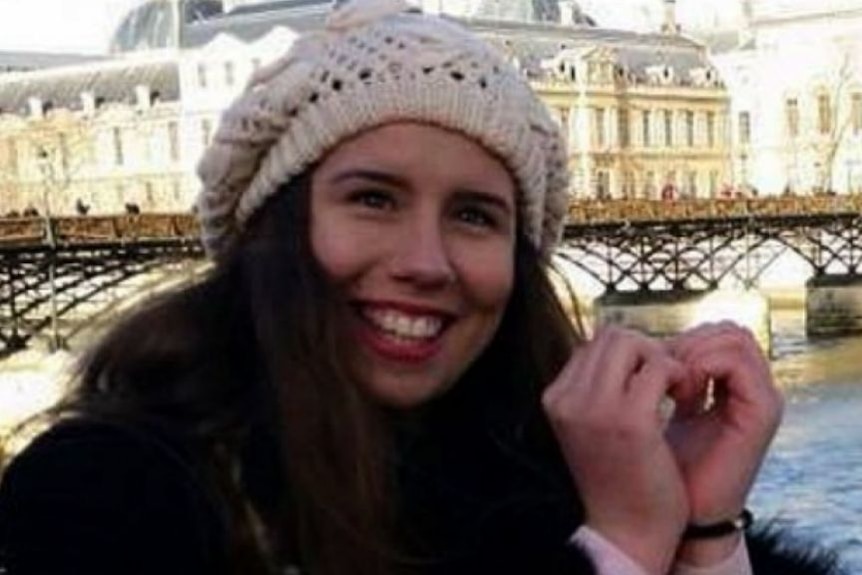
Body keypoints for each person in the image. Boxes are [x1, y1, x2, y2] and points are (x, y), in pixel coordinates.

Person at [0, 1, 845, 574]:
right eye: (373, 198)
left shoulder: (564, 471)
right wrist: (617, 548)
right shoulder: (105, 495)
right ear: (277, 227)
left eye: (476, 215)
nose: (426, 260)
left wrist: (703, 528)